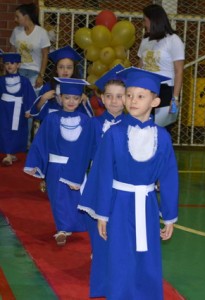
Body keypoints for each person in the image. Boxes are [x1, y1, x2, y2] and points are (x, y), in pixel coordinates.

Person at [79, 67, 179, 299]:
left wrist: (170, 215)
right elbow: (103, 174)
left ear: (154, 102)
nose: (132, 100)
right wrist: (102, 214)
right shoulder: (113, 134)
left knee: (147, 253)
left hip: (147, 205)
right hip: (119, 204)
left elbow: (169, 177)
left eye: (140, 96)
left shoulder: (162, 137)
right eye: (129, 95)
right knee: (120, 253)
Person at [24, 77, 95, 246]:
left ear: (80, 100)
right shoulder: (51, 119)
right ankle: (62, 229)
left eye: (76, 98)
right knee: (58, 198)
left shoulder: (86, 121)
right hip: (56, 167)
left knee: (76, 197)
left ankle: (77, 225)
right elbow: (41, 142)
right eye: (67, 97)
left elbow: (91, 145)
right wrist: (35, 163)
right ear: (59, 98)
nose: (71, 101)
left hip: (77, 167)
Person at [78, 64, 126, 298]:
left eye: (120, 96)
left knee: (119, 234)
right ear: (102, 99)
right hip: (97, 185)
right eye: (109, 96)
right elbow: (82, 153)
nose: (115, 101)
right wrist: (74, 179)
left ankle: (118, 277)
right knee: (98, 232)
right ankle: (100, 276)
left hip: (123, 188)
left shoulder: (132, 127)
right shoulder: (93, 124)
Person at [138, 4, 185, 130]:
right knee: (144, 128)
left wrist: (174, 98)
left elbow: (179, 71)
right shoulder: (146, 40)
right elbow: (141, 66)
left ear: (153, 21)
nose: (144, 24)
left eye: (145, 20)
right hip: (146, 88)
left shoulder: (173, 40)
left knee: (161, 131)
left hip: (165, 90)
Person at [10, 2, 51, 147]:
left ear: (26, 17)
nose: (15, 19)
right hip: (18, 73)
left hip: (34, 74)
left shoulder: (41, 33)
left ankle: (27, 143)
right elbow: (13, 53)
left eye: (17, 16)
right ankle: (15, 140)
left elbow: (45, 55)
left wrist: (41, 74)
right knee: (15, 108)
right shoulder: (16, 32)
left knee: (29, 110)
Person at [30, 45, 93, 121]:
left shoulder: (77, 87)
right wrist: (43, 98)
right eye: (61, 67)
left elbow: (86, 116)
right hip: (52, 126)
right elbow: (37, 113)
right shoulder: (48, 87)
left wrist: (85, 101)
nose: (65, 70)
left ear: (73, 70)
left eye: (69, 67)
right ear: (56, 70)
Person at [0, 53, 36, 165]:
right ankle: (8, 155)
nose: (9, 66)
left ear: (18, 65)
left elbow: (29, 95)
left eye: (12, 63)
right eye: (6, 63)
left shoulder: (24, 81)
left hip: (18, 109)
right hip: (4, 110)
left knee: (17, 130)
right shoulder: (1, 80)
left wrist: (28, 110)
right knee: (5, 130)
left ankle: (12, 152)